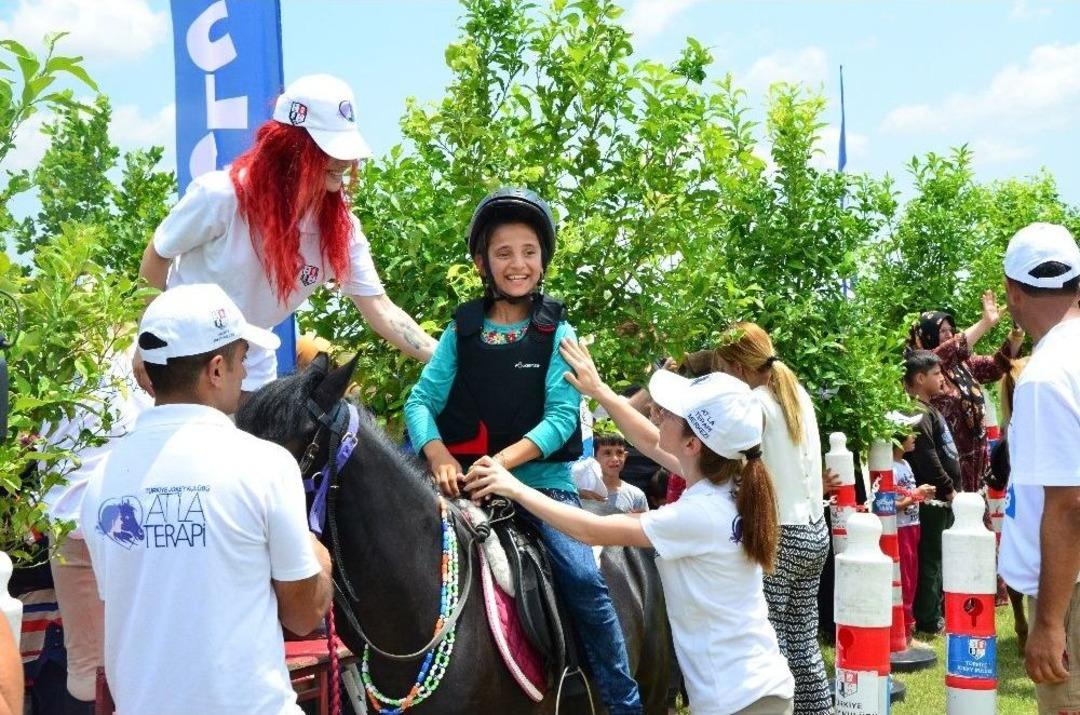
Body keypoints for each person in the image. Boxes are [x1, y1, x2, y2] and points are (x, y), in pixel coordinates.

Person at [403, 188, 642, 714]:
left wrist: (502, 466)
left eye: (529, 251)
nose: (518, 263)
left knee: (583, 580)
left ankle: (622, 702)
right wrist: (439, 454)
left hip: (543, 489)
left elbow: (561, 419)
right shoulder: (460, 332)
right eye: (504, 252)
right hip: (469, 488)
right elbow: (420, 401)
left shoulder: (558, 332)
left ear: (543, 258)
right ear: (482, 262)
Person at [467, 346, 795, 715]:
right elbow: (651, 441)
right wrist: (600, 391)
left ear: (692, 444)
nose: (658, 414)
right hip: (759, 688)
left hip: (735, 702)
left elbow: (592, 530)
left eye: (669, 413)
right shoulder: (729, 480)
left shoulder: (699, 514)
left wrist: (514, 487)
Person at [81, 284, 332, 715]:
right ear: (216, 369)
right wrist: (318, 558)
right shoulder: (263, 465)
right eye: (242, 360)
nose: (245, 372)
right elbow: (304, 615)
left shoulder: (102, 480)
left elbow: (141, 601)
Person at [137, 74, 436, 396]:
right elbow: (158, 254)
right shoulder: (222, 196)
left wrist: (451, 361)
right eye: (328, 150)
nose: (345, 162)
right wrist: (150, 342)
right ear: (289, 149)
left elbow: (382, 309)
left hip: (249, 366)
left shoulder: (338, 230)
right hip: (183, 356)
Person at [712, 322, 830, 714]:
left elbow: (725, 461)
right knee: (802, 640)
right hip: (814, 529)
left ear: (740, 368)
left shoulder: (754, 405)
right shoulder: (797, 394)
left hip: (780, 535)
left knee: (772, 641)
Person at [40, 346, 151, 714]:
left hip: (91, 523)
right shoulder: (138, 350)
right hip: (96, 525)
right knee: (101, 678)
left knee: (96, 678)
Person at [997, 222, 1080, 714]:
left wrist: (1048, 622)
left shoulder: (1047, 375)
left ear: (1013, 292)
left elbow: (1070, 504)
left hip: (1069, 591)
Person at [906, 293, 1024, 494]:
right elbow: (952, 349)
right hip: (948, 463)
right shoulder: (926, 365)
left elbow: (997, 366)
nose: (948, 334)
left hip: (976, 461)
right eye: (942, 330)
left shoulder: (963, 365)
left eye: (950, 330)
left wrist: (1017, 332)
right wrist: (985, 323)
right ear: (926, 334)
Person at [902, 350, 960, 636]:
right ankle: (928, 618)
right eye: (936, 374)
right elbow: (927, 457)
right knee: (931, 559)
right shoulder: (917, 411)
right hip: (932, 501)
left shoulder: (929, 409)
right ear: (920, 377)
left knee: (938, 557)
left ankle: (934, 612)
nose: (942, 378)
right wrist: (948, 489)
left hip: (940, 499)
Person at [887, 417, 936, 645]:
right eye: (909, 433)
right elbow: (887, 504)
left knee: (911, 578)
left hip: (911, 527)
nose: (914, 437)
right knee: (904, 579)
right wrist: (916, 494)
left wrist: (919, 496)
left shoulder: (905, 464)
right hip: (900, 530)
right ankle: (904, 632)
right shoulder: (890, 468)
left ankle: (908, 628)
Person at [594, 432, 648, 513]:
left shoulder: (636, 496)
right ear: (595, 458)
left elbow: (643, 524)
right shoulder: (584, 493)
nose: (615, 459)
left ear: (625, 456)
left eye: (619, 453)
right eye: (607, 453)